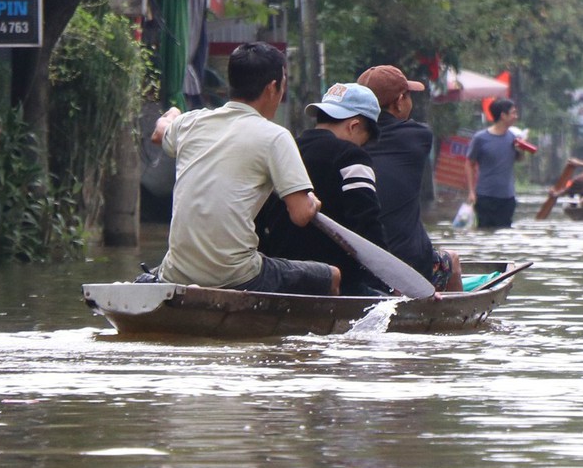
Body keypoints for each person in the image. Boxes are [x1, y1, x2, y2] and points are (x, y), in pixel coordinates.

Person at [148, 43, 337, 295]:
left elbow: (159, 133)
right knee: (333, 276)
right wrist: (312, 200)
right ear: (272, 88)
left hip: (176, 272)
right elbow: (301, 214)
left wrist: (172, 113)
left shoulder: (190, 123)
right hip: (236, 274)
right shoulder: (275, 137)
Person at [257, 82, 390, 295]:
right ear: (354, 126)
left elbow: (259, 222)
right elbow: (367, 224)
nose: (361, 147)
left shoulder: (285, 150)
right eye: (363, 142)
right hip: (340, 284)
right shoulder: (351, 156)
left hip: (282, 279)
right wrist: (388, 284)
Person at [359, 64, 462, 292]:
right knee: (451, 261)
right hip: (410, 262)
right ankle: (456, 319)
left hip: (358, 262)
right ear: (398, 102)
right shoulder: (418, 135)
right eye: (408, 97)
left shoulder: (347, 139)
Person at [466, 97, 523, 228]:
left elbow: (519, 159)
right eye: (513, 113)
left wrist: (520, 151)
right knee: (484, 232)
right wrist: (471, 191)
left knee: (505, 234)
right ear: (503, 115)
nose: (516, 116)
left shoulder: (515, 138)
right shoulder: (480, 138)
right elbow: (469, 163)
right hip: (485, 196)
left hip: (507, 197)